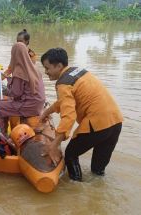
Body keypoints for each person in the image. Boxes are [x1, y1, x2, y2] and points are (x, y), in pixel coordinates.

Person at [40, 48, 123, 181]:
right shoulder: (78, 72)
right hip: (116, 122)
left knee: (71, 155)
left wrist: (54, 144)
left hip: (97, 124)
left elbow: (69, 116)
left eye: (47, 68)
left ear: (59, 66)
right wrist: (46, 112)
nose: (46, 72)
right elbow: (64, 102)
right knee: (98, 170)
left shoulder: (63, 84)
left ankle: (76, 190)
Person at [0, 42, 45, 136]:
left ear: (14, 54)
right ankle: (4, 132)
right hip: (38, 104)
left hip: (29, 106)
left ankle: (0, 137)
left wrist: (9, 81)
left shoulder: (19, 70)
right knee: (4, 104)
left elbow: (15, 93)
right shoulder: (33, 66)